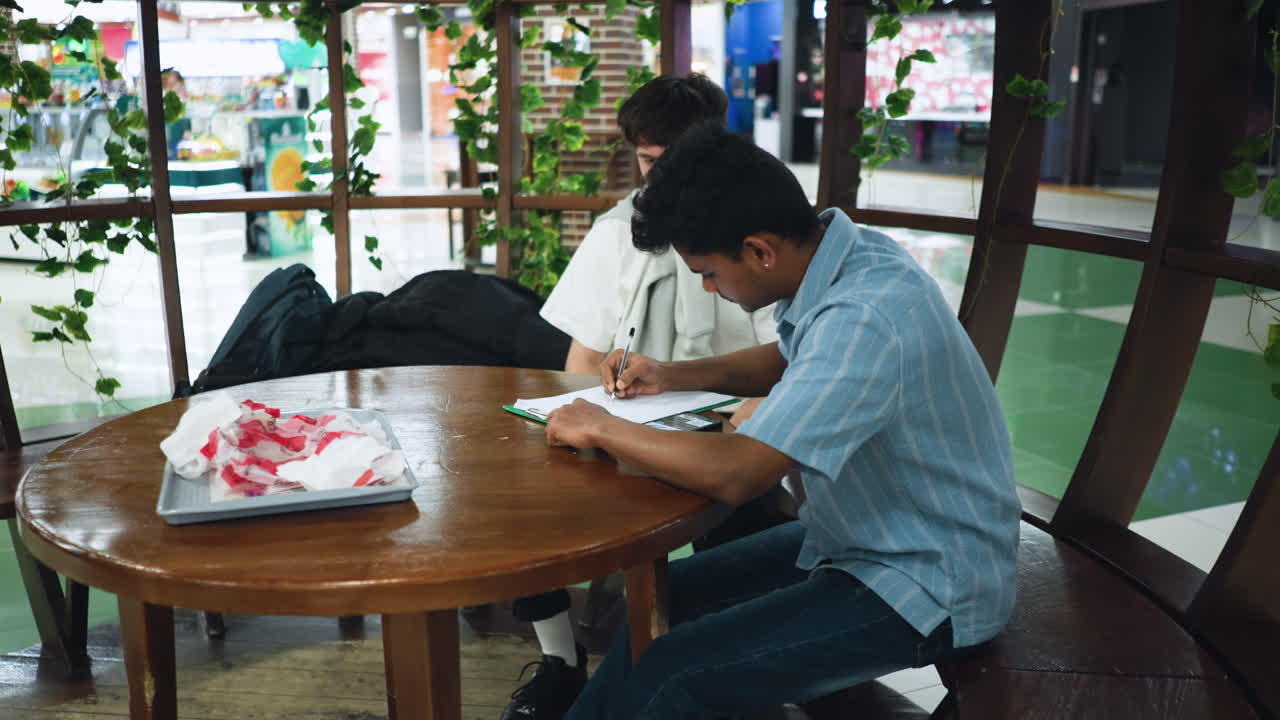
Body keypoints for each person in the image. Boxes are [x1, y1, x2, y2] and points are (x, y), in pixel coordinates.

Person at [544, 123, 1022, 719]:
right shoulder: (849, 255)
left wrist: (603, 426)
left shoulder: (865, 316)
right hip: (868, 533)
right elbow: (788, 356)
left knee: (676, 669)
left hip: (928, 578)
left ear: (760, 250)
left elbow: (740, 473)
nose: (707, 287)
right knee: (664, 599)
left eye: (709, 273)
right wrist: (673, 374)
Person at [500, 75, 789, 720]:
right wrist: (583, 402)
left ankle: (739, 668)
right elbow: (578, 361)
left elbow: (781, 360)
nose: (658, 178)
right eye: (648, 161)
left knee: (735, 524)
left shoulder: (753, 232)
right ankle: (558, 659)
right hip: (632, 413)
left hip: (730, 431)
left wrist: (734, 412)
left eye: (673, 160)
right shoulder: (619, 230)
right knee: (527, 504)